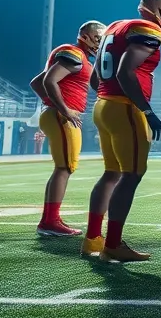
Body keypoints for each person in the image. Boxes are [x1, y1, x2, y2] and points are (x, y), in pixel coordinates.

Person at [82, 0, 161, 262]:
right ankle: (112, 244)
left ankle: (92, 240)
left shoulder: (116, 26)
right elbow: (126, 70)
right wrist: (147, 111)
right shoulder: (148, 29)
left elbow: (99, 74)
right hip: (125, 107)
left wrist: (105, 95)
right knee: (131, 174)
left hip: (104, 105)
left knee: (111, 173)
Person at [30, 21, 106, 237]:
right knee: (64, 168)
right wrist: (63, 108)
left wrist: (50, 104)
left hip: (57, 113)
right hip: (62, 115)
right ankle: (49, 222)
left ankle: (49, 219)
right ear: (89, 36)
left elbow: (37, 83)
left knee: (63, 168)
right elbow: (49, 80)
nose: (100, 43)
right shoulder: (74, 54)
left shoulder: (80, 58)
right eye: (99, 38)